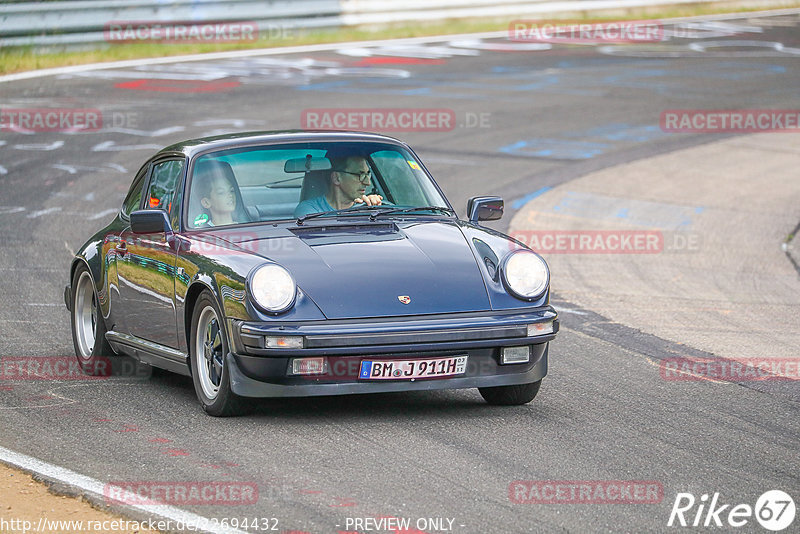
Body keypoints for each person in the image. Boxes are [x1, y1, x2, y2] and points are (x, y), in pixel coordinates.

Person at [294, 156, 383, 218]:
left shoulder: (365, 207)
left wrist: (372, 208)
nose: (368, 183)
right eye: (360, 174)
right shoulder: (308, 211)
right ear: (336, 178)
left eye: (367, 174)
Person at [192, 162, 242, 227]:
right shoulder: (203, 232)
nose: (230, 195)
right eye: (221, 193)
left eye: (231, 191)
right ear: (206, 202)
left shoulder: (245, 226)